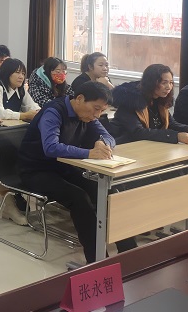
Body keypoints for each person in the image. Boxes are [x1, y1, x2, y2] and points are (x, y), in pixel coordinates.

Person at [18, 82, 135, 263]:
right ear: (79, 99)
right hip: (35, 170)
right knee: (79, 198)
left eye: (101, 111)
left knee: (109, 192)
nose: (97, 115)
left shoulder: (88, 116)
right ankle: (97, 261)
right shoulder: (54, 112)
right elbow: (51, 148)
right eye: (96, 109)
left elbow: (109, 137)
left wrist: (103, 143)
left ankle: (130, 252)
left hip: (64, 167)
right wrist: (89, 153)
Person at [109, 64, 188, 144]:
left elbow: (171, 124)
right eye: (164, 83)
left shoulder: (159, 99)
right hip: (125, 146)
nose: (169, 87)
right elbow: (138, 132)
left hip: (147, 146)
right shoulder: (130, 101)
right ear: (151, 83)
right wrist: (175, 136)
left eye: (171, 83)